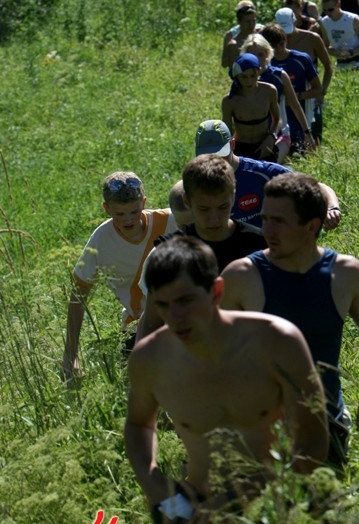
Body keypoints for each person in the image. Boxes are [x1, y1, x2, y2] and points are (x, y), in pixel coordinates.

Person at [124, 236, 328, 524]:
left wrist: (238, 499)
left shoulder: (276, 341)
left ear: (216, 291)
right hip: (199, 511)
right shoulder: (150, 359)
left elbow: (314, 444)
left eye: (186, 301)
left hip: (282, 498)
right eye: (163, 305)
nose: (175, 318)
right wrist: (154, 484)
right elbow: (139, 424)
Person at [221, 172, 359, 465]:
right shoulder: (242, 277)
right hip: (256, 436)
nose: (266, 230)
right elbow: (205, 346)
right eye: (265, 218)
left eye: (279, 221)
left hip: (327, 426)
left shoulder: (345, 274)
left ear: (312, 226)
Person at [137, 156, 267, 341]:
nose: (214, 218)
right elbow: (151, 323)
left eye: (222, 207)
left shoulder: (259, 244)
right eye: (204, 209)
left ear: (234, 196)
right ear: (187, 201)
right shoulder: (170, 252)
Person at [61, 172, 177, 380]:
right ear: (106, 208)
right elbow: (79, 295)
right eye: (119, 214)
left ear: (144, 202)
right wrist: (71, 355)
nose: (128, 220)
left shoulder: (171, 221)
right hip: (139, 326)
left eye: (134, 211)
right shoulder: (101, 239)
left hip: (183, 316)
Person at [188, 119, 342, 231]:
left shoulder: (261, 173)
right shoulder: (197, 181)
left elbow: (317, 187)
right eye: (208, 155)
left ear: (233, 145)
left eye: (221, 153)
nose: (215, 160)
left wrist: (331, 208)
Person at [241, 33, 314, 163]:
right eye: (252, 55)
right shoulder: (242, 78)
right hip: (251, 137)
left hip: (280, 135)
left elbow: (295, 105)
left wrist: (307, 134)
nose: (257, 59)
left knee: (269, 163)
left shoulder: (279, 75)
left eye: (261, 54)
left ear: (268, 53)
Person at [261, 23, 322, 156]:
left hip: (301, 117)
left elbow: (318, 89)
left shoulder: (301, 59)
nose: (278, 48)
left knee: (303, 157)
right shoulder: (264, 66)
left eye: (281, 43)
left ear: (286, 40)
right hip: (276, 123)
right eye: (273, 45)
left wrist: (296, 97)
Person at [275, 5, 333, 146]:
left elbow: (328, 66)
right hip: (282, 99)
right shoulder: (273, 42)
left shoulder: (312, 38)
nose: (287, 36)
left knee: (313, 137)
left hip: (308, 94)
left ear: (295, 21)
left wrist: (322, 91)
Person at [222, 53, 281, 162]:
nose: (248, 81)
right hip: (240, 149)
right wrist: (227, 153)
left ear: (259, 71)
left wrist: (271, 138)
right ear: (237, 76)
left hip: (264, 145)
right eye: (243, 76)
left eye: (252, 76)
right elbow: (227, 131)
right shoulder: (230, 100)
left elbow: (277, 119)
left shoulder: (269, 91)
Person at [319, 0, 359, 70]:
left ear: (338, 4)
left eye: (331, 9)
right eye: (325, 10)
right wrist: (335, 52)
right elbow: (325, 46)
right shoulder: (324, 22)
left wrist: (351, 53)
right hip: (341, 64)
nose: (328, 13)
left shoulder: (353, 19)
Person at [221, 1, 263, 69]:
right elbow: (225, 64)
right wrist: (236, 54)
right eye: (247, 22)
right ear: (239, 22)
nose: (251, 25)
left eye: (254, 21)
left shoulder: (262, 34)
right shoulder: (233, 41)